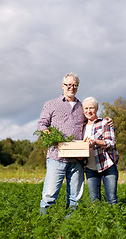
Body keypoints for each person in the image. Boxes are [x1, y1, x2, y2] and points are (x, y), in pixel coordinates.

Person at [37, 73, 85, 217]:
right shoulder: (51, 104)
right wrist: (51, 136)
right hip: (56, 156)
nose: (72, 88)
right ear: (62, 86)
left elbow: (92, 121)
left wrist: (106, 121)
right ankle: (44, 224)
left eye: (75, 85)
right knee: (49, 195)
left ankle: (70, 225)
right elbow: (41, 124)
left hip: (77, 159)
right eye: (68, 85)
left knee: (75, 197)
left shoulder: (82, 106)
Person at [82, 97, 119, 205]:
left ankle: (114, 220)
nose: (89, 111)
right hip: (90, 168)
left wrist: (96, 142)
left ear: (97, 109)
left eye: (91, 108)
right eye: (86, 108)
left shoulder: (105, 123)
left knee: (111, 199)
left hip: (107, 165)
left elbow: (112, 143)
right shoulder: (82, 127)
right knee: (94, 201)